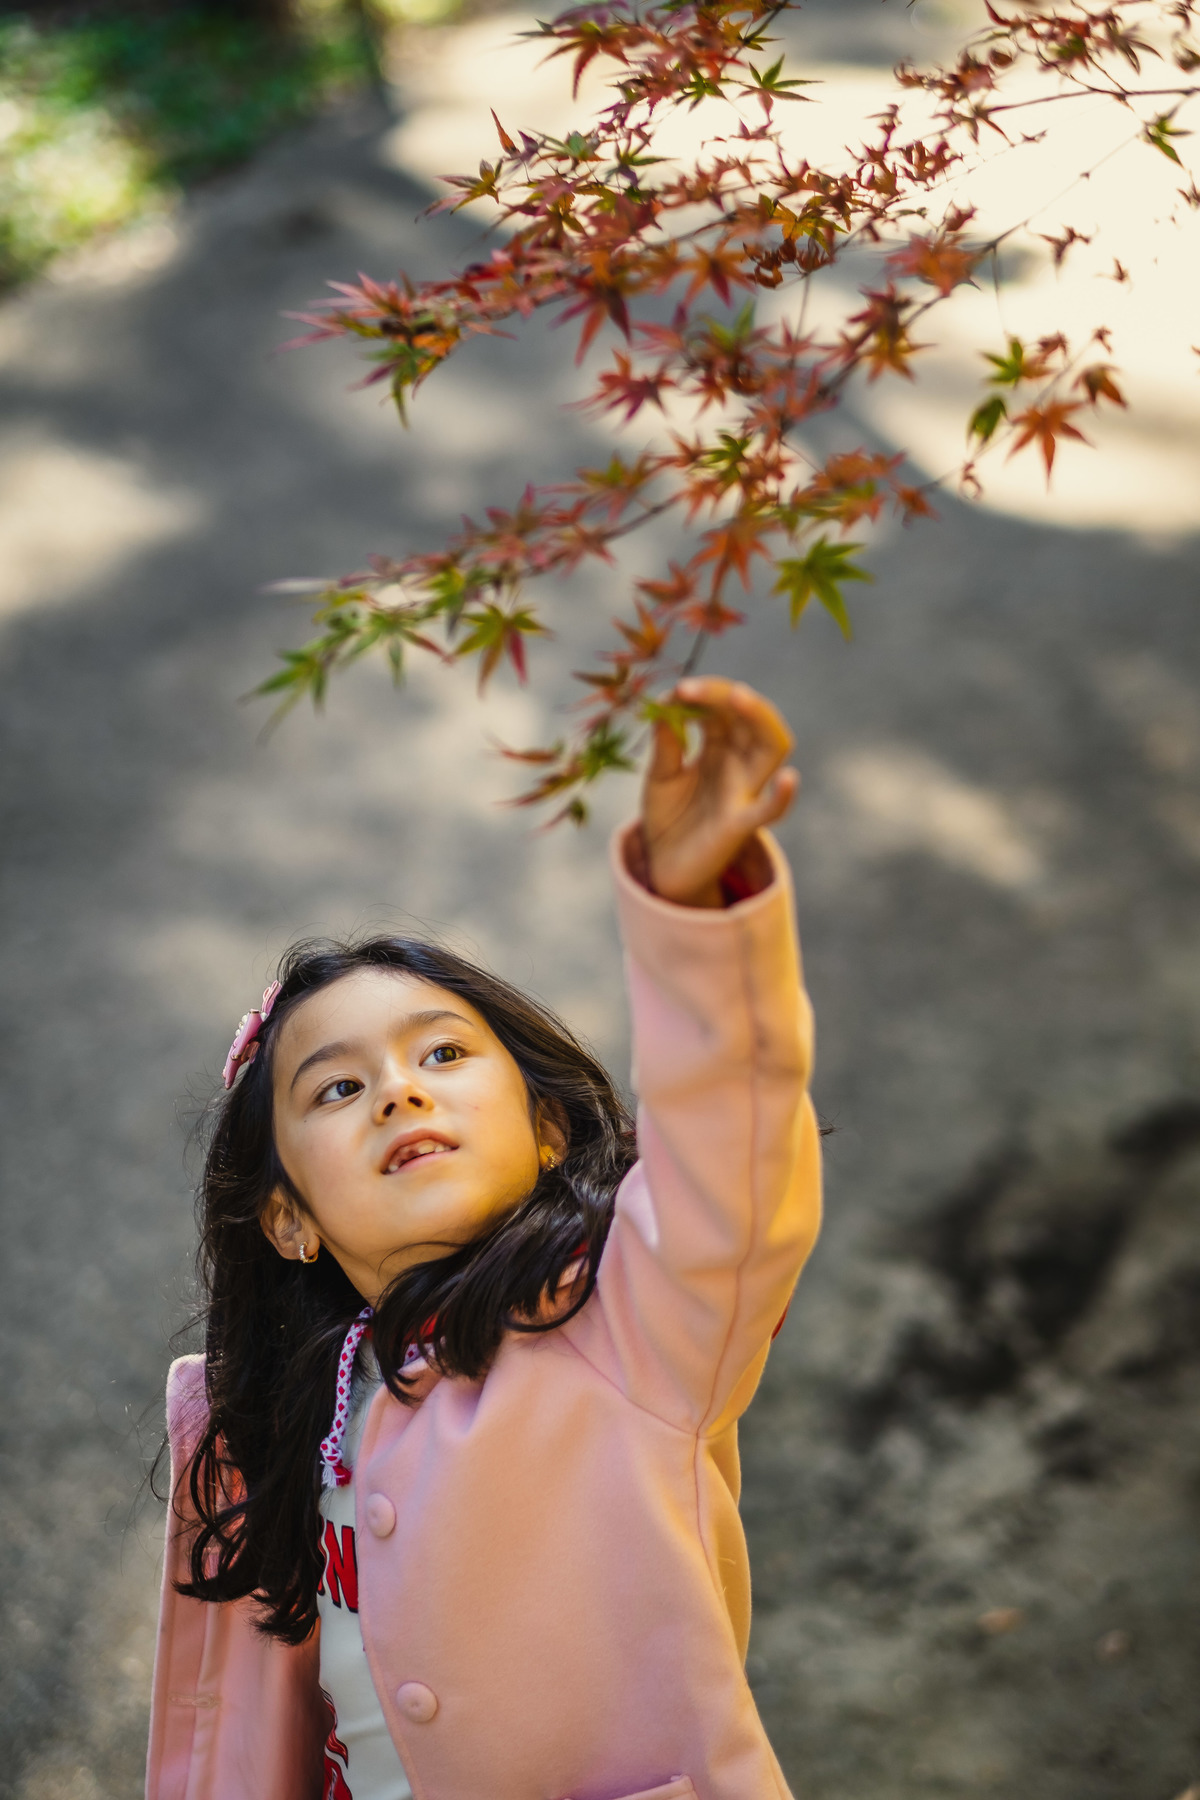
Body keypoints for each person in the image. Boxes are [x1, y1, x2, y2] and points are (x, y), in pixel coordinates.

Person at [146, 675, 822, 1800]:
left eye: (444, 1056)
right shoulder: (266, 1426)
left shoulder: (631, 1320)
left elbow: (732, 1161)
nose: (400, 1095)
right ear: (289, 1219)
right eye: (338, 1088)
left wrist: (698, 919)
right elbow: (237, 1726)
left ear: (548, 1128)